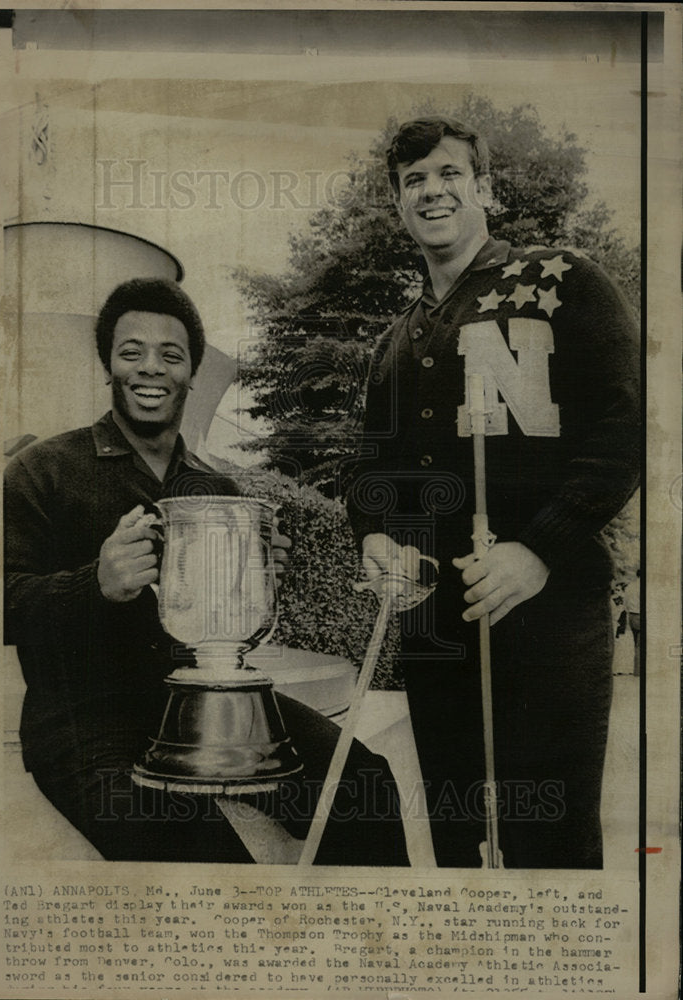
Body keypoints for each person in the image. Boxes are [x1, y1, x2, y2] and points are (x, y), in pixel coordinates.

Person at [5, 277, 408, 865]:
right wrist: (93, 584)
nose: (151, 369)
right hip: (85, 722)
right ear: (108, 365)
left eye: (172, 355)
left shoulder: (216, 488)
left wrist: (263, 577)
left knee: (364, 783)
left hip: (208, 705)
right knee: (192, 848)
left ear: (191, 372)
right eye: (131, 352)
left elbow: (226, 620)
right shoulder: (41, 471)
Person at [347, 116, 640, 868]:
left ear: (486, 189)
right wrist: (375, 536)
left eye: (449, 174)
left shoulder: (562, 278)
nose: (432, 191)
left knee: (549, 844)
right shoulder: (395, 339)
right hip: (433, 629)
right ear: (399, 204)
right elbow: (369, 474)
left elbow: (630, 419)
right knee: (454, 840)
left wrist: (539, 547)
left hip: (547, 614)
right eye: (414, 181)